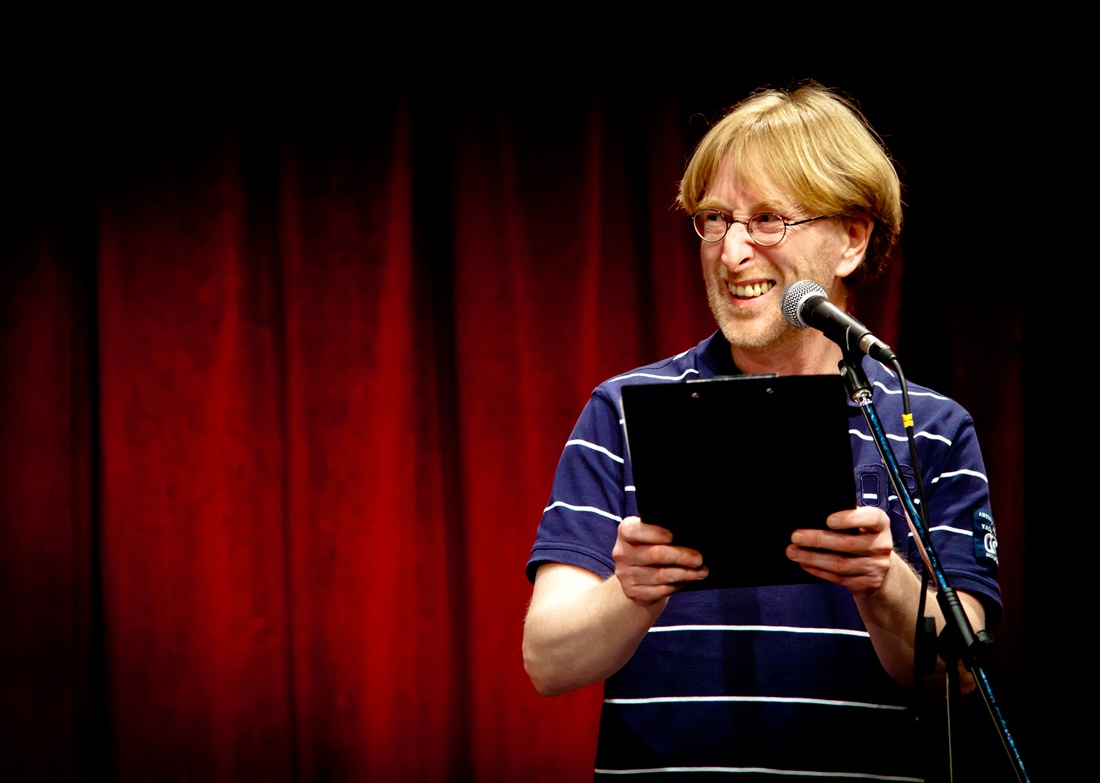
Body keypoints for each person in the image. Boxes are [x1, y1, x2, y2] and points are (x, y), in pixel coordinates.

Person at [522, 81, 1002, 781]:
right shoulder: (622, 409)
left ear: (852, 238)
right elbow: (547, 661)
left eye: (768, 219)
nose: (731, 252)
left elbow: (959, 682)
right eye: (715, 219)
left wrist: (884, 585)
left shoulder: (932, 427)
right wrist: (629, 592)